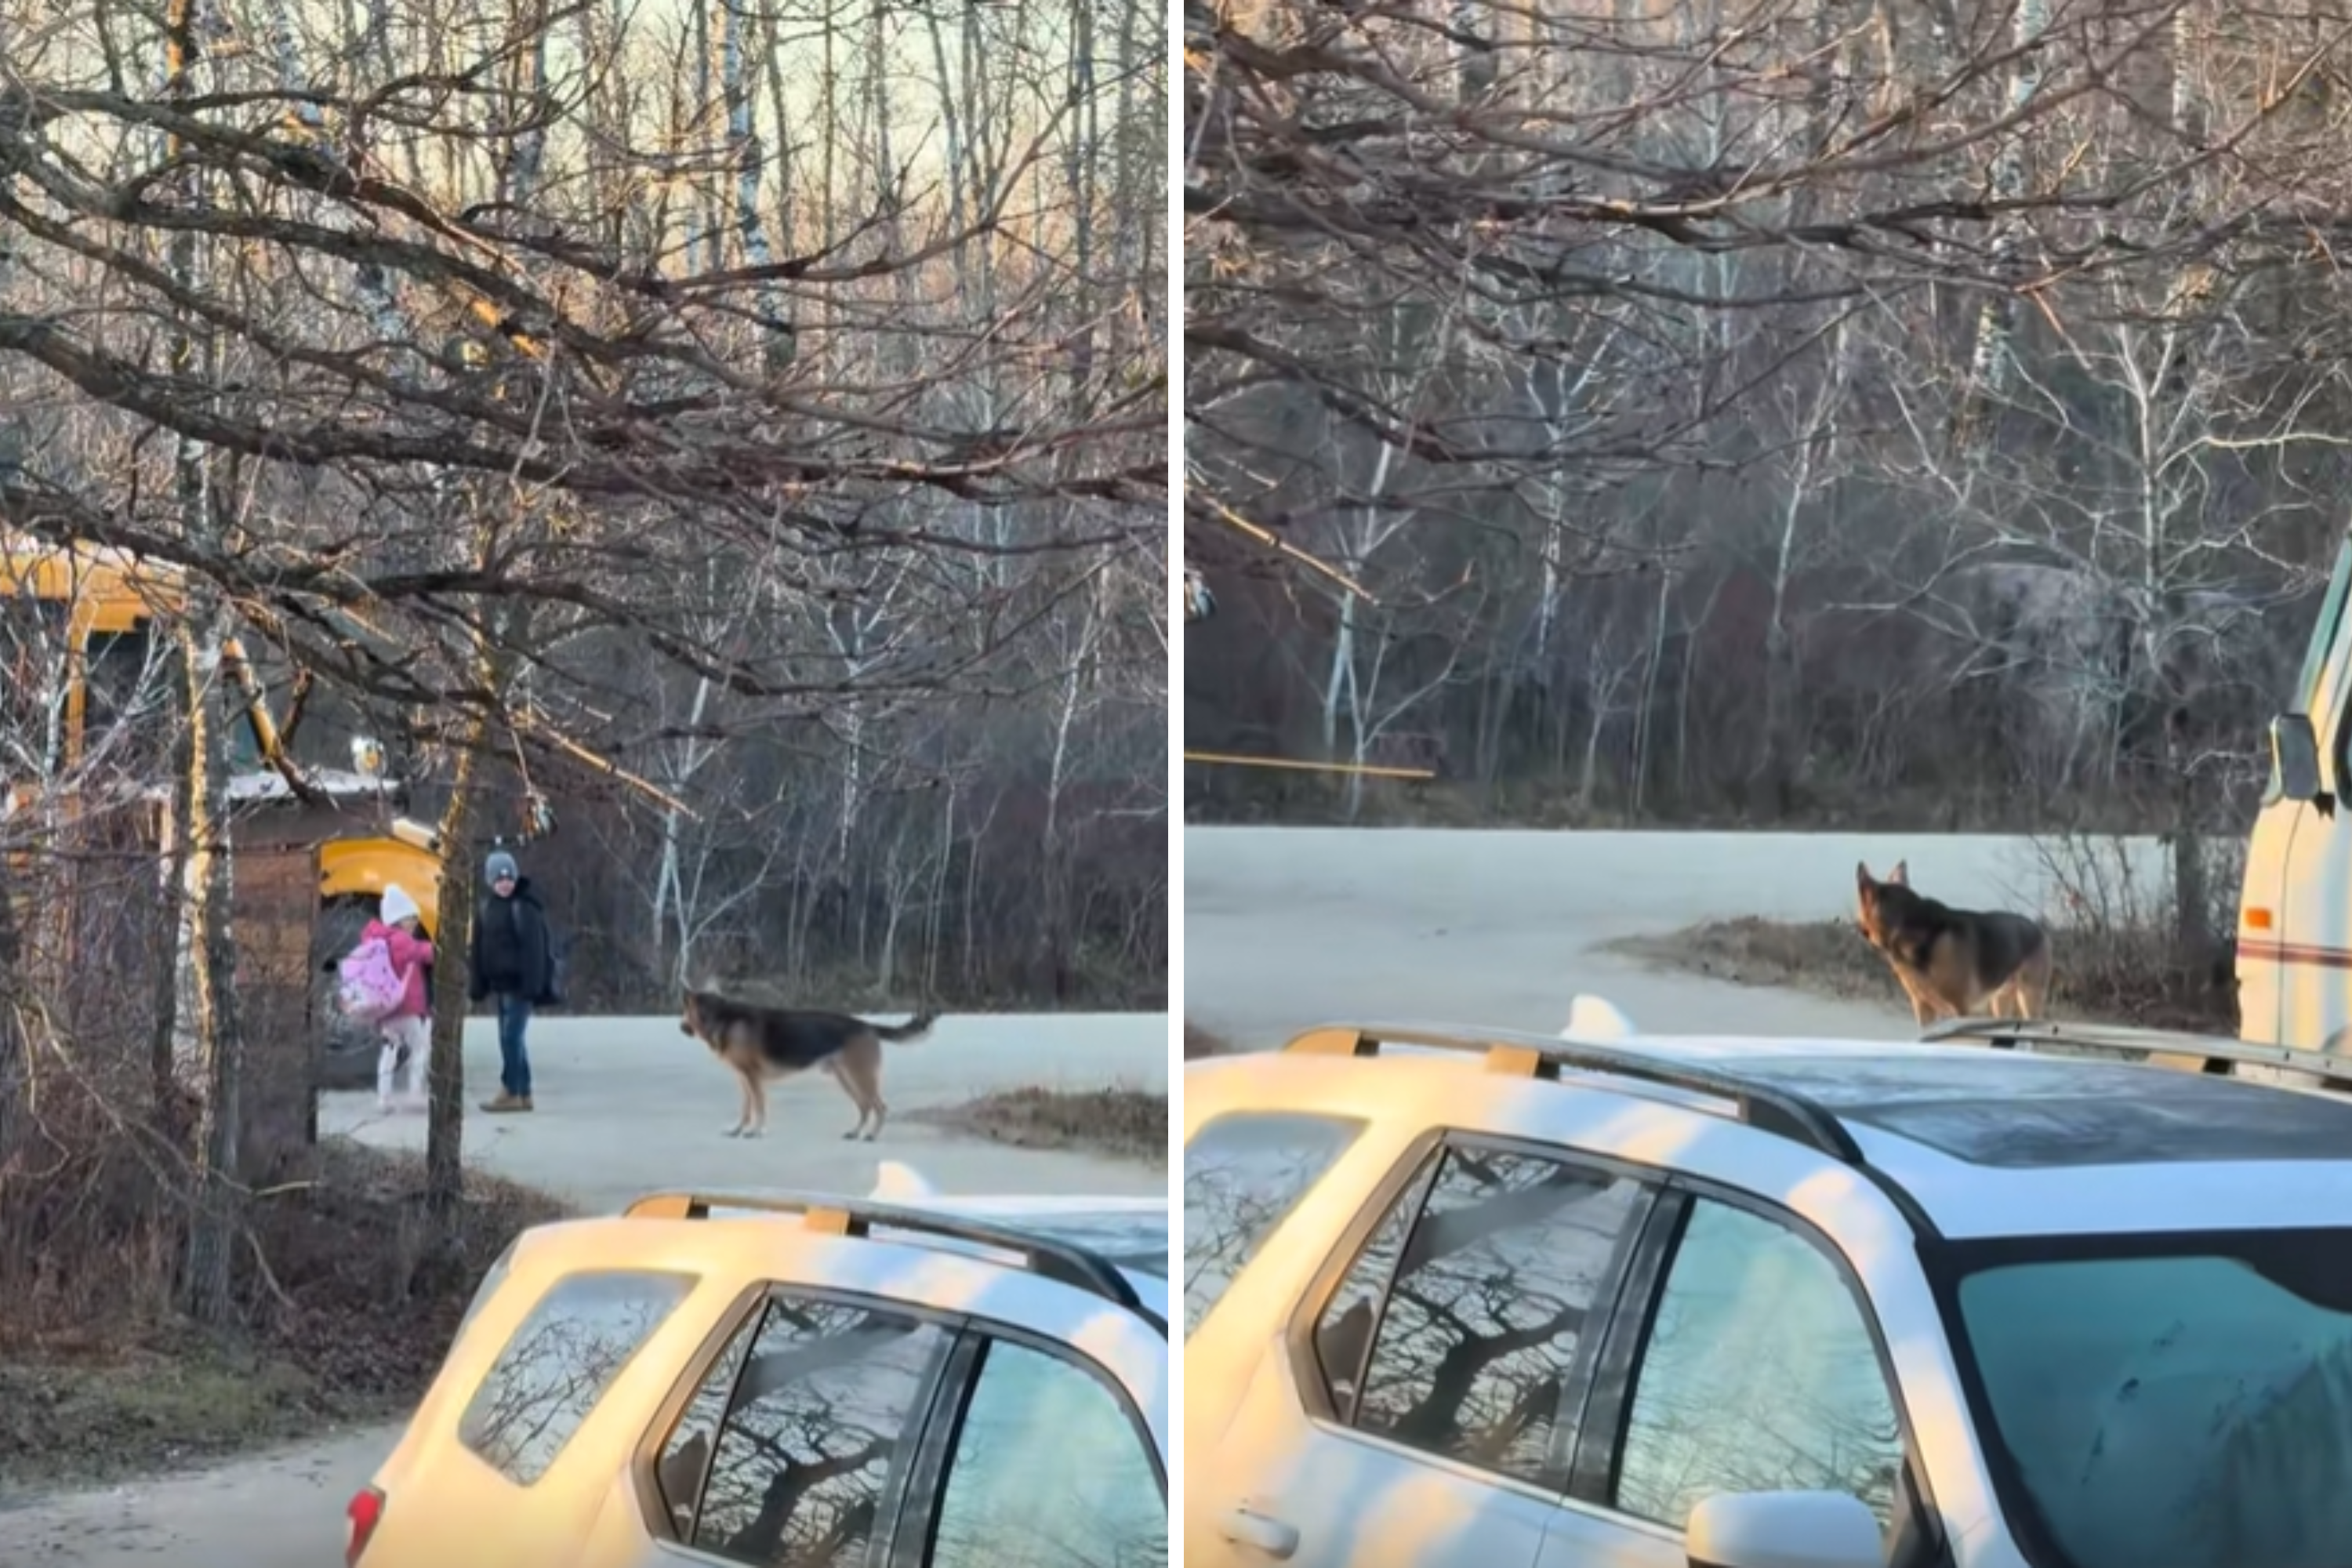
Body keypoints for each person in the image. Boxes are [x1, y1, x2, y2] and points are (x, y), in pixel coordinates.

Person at [468, 848, 558, 1113]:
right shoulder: (487, 909)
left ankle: (511, 1090)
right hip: (500, 985)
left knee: (510, 1038)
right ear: (491, 881)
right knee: (510, 1039)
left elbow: (535, 951)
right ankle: (524, 1091)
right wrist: (478, 984)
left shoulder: (524, 908)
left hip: (521, 987)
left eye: (509, 878)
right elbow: (479, 949)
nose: (505, 883)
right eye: (499, 879)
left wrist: (533, 986)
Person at [361, 883, 434, 1114]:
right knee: (420, 1048)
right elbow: (423, 953)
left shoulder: (375, 941)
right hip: (408, 1009)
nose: (414, 923)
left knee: (389, 1052)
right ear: (398, 919)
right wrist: (438, 948)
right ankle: (414, 1092)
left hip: (386, 1011)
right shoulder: (401, 941)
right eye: (410, 918)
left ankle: (384, 1097)